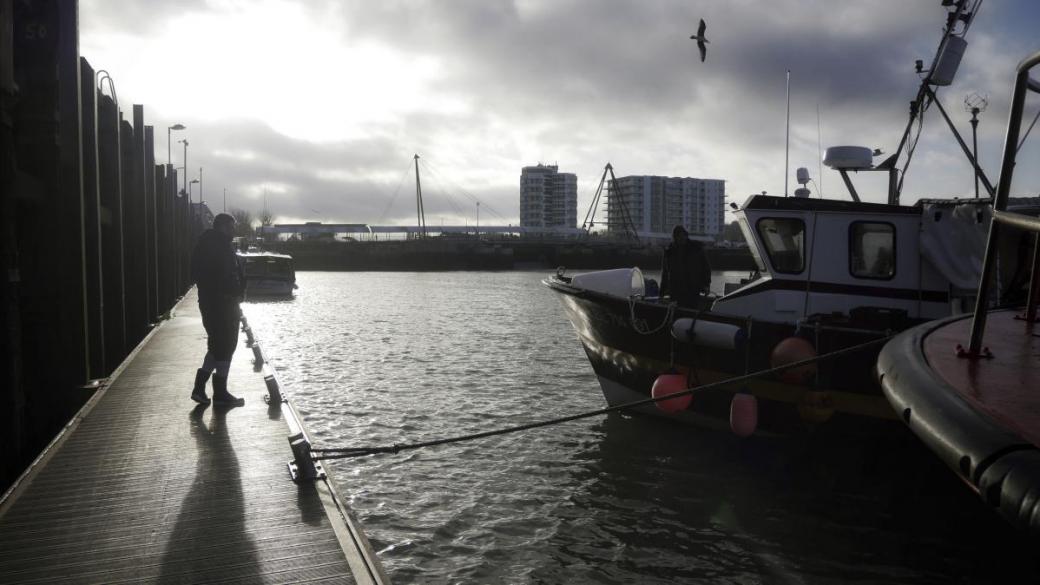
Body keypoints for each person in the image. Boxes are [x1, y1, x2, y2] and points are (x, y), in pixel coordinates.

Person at [189, 213, 246, 406]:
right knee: (224, 345)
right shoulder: (214, 246)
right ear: (222, 226)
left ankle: (201, 388)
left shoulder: (218, 244)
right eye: (231, 227)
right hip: (219, 305)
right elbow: (213, 275)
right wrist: (226, 293)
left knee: (218, 346)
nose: (233, 230)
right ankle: (219, 394)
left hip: (222, 304)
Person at [660, 225, 711, 307]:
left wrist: (706, 285)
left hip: (693, 290)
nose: (681, 238)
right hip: (676, 291)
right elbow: (665, 273)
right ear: (675, 238)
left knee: (691, 309)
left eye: (683, 236)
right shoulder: (669, 252)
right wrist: (661, 293)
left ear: (686, 235)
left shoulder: (696, 248)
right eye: (678, 236)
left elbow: (706, 268)